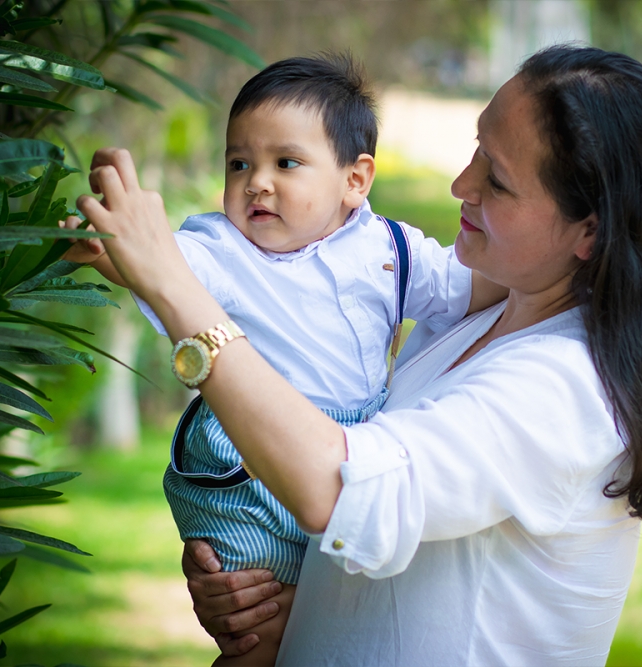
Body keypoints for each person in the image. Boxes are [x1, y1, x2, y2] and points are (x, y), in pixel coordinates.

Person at [77, 45, 642, 666]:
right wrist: (271, 596)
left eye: (496, 181)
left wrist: (173, 288)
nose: (460, 183)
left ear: (589, 230)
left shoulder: (565, 388)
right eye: (476, 148)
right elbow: (404, 559)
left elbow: (340, 489)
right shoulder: (478, 320)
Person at [62, 54, 505, 666]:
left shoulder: (393, 249)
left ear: (356, 180)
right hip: (249, 461)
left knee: (328, 610)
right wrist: (105, 247)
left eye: (285, 163)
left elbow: (477, 286)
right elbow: (160, 262)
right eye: (239, 163)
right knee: (256, 619)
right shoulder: (221, 247)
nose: (256, 182)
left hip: (348, 449)